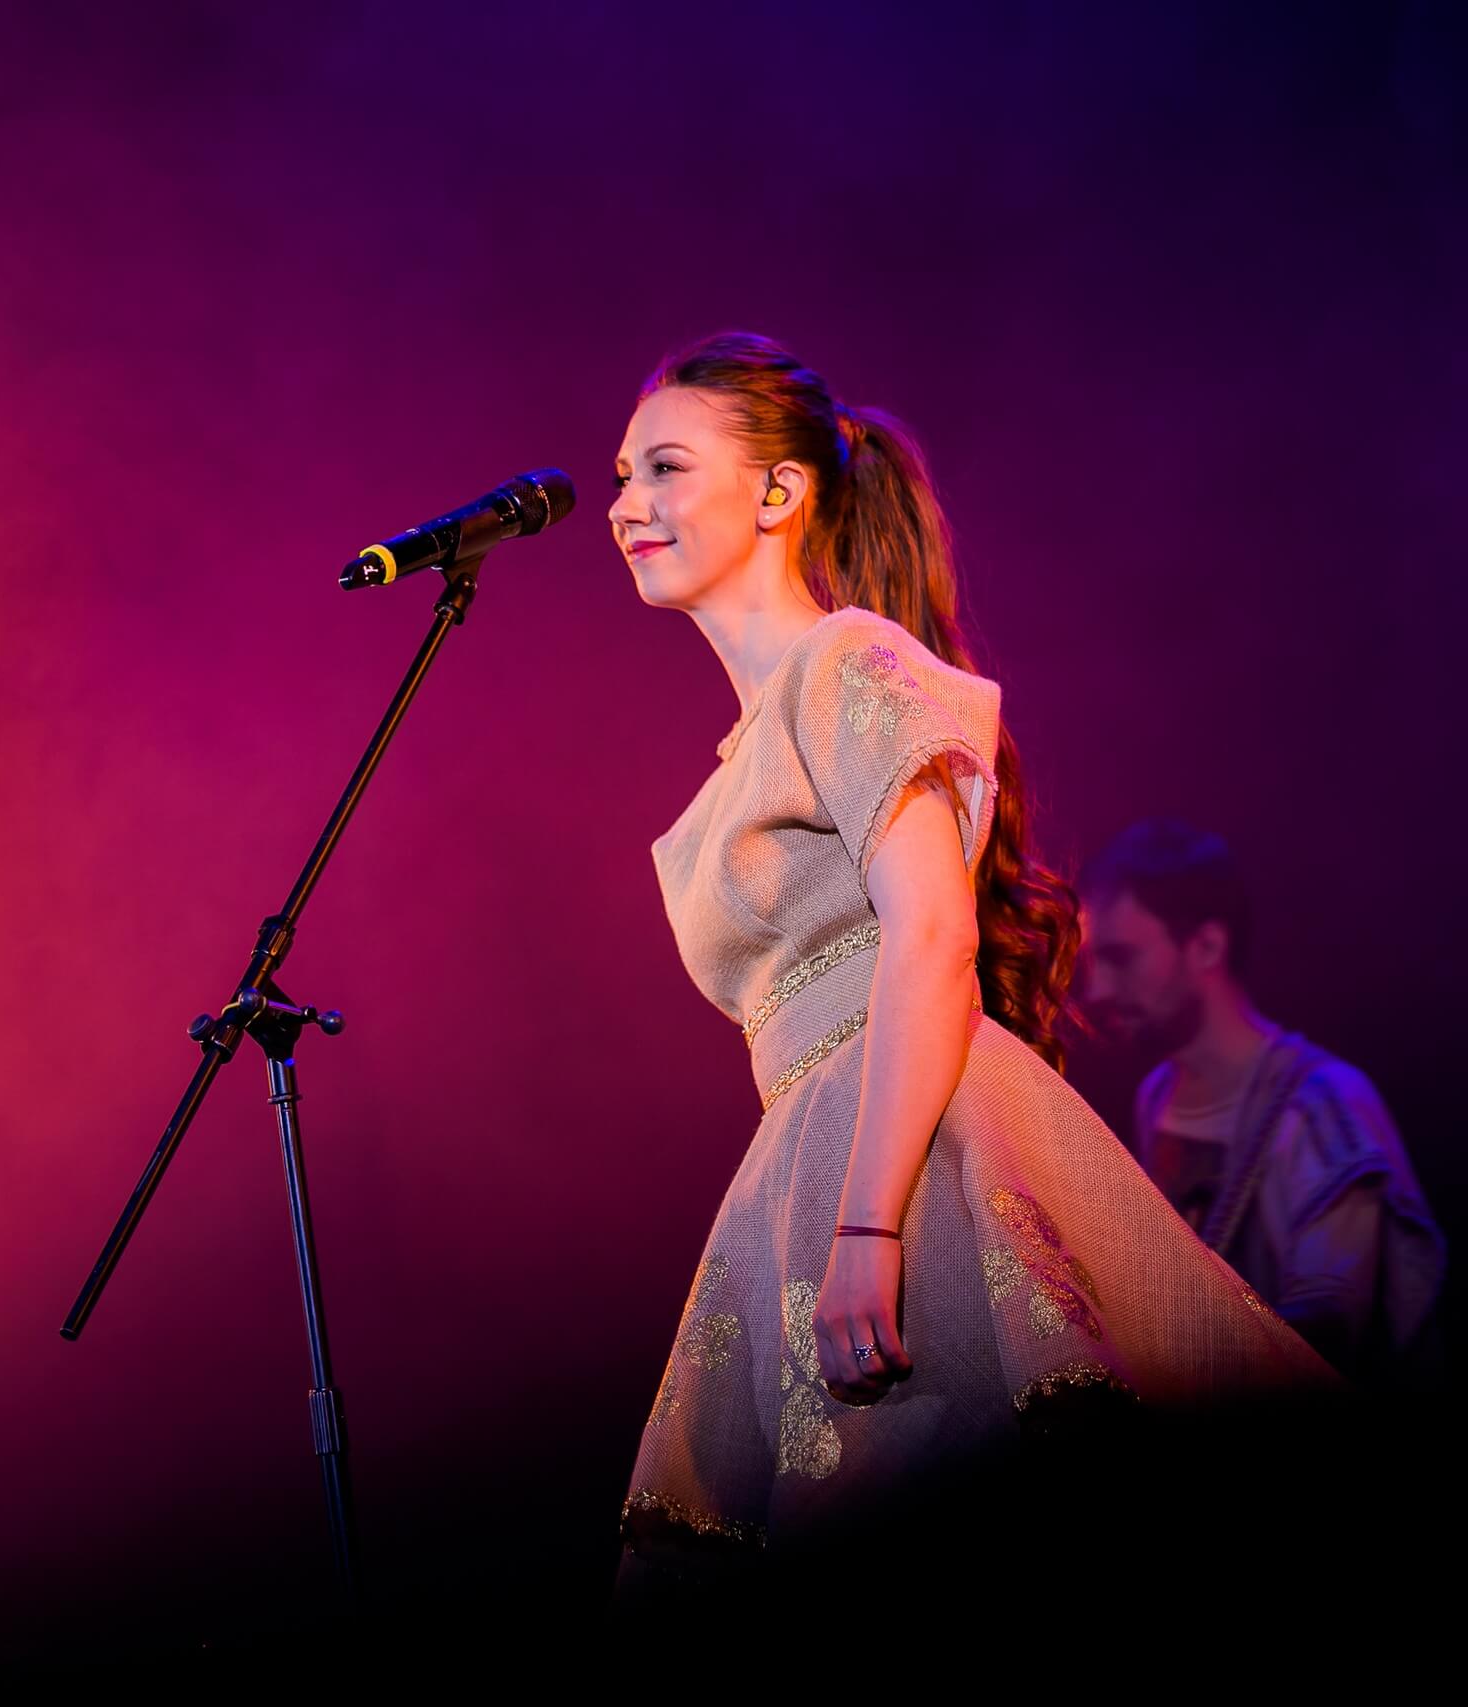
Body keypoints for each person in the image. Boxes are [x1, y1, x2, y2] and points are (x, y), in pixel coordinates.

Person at [607, 333, 1335, 1600]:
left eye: (665, 467)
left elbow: (932, 935)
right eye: (622, 475)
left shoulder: (847, 659)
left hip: (902, 1149)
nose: (626, 503)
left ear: (778, 492)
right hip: (811, 1146)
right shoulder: (744, 753)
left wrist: (867, 1220)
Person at [1080, 818, 1444, 1383]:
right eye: (1091, 964)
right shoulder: (1157, 1095)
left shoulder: (1324, 1102)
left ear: (1207, 946)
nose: (1096, 989)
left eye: (1120, 958)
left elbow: (1332, 1330)